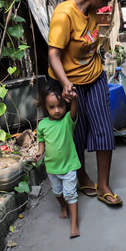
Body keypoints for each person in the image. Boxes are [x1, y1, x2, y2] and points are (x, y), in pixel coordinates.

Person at [47, 0, 123, 206]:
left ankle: (103, 185)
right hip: (69, 83)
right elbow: (53, 55)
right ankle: (81, 176)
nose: (107, 4)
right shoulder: (64, 14)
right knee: (76, 135)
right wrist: (66, 83)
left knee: (104, 130)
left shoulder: (91, 10)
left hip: (95, 77)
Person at [34, 81, 81, 238]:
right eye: (52, 107)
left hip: (69, 165)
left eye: (60, 105)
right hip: (52, 168)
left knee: (70, 194)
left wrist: (73, 98)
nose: (57, 110)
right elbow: (41, 144)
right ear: (45, 107)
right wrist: (39, 153)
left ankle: (74, 224)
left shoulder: (68, 120)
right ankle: (63, 207)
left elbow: (74, 109)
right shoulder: (42, 125)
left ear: (65, 104)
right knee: (57, 192)